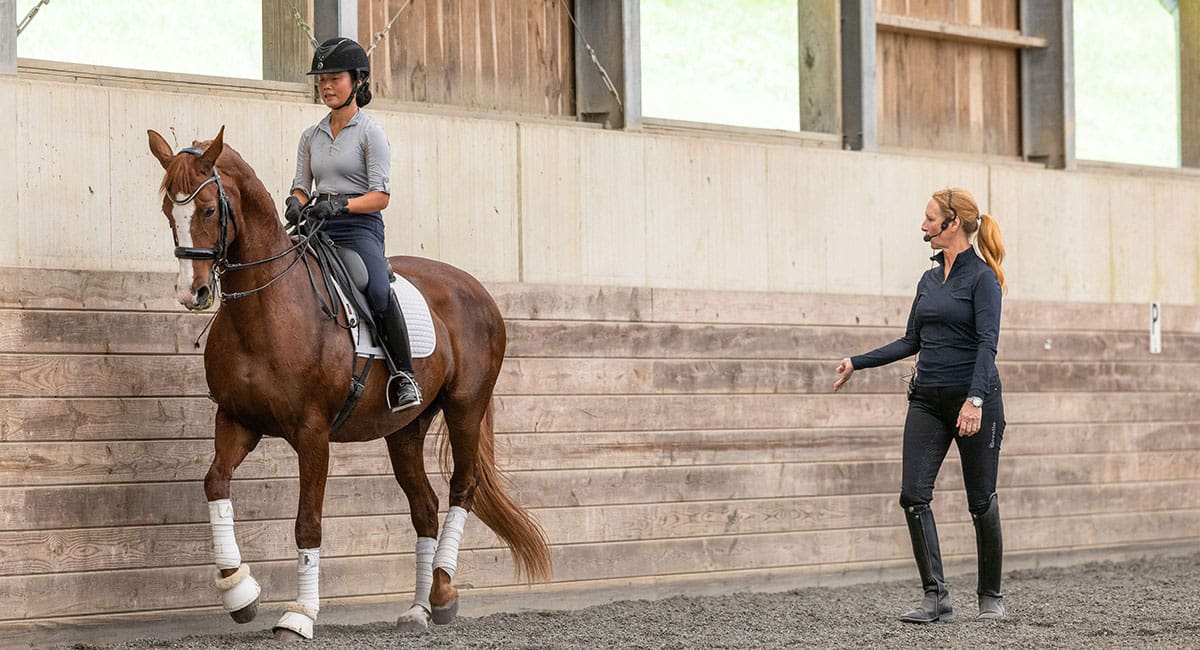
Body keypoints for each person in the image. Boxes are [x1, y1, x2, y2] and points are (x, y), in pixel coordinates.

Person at [832, 187, 1007, 623]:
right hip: (927, 399)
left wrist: (975, 399)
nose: (923, 226)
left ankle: (990, 597)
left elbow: (988, 344)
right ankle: (936, 597)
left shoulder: (982, 279)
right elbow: (912, 340)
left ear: (953, 224)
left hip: (974, 402)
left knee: (980, 499)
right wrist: (858, 361)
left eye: (931, 219)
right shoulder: (928, 280)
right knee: (913, 495)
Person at [286, 37, 421, 412]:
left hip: (358, 228)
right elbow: (301, 186)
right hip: (317, 227)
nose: (325, 86)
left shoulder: (369, 133)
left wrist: (343, 204)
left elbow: (381, 197)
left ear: (358, 81)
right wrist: (295, 205)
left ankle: (404, 376)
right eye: (321, 79)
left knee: (377, 289)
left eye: (335, 78)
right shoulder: (310, 136)